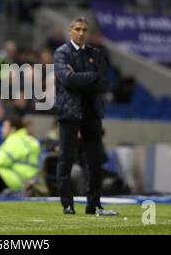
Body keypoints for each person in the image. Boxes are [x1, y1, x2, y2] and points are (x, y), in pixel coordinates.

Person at [53, 16, 118, 216]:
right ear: (70, 30)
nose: (81, 33)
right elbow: (67, 79)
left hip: (92, 112)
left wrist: (78, 77)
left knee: (95, 160)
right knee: (66, 160)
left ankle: (94, 204)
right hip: (69, 112)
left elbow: (104, 82)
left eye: (84, 30)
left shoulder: (96, 54)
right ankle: (67, 204)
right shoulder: (61, 53)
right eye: (78, 29)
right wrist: (91, 75)